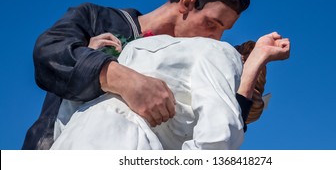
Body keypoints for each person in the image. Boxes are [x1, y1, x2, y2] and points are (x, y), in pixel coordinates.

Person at [22, 0, 260, 149]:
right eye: (212, 23)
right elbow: (49, 53)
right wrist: (121, 78)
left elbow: (217, 128)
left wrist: (254, 68)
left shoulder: (195, 57)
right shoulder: (95, 19)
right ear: (188, 1)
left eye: (223, 31)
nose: (215, 38)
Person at [50, 32, 290, 150]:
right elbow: (218, 139)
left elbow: (67, 114)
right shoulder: (224, 55)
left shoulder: (150, 51)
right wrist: (257, 61)